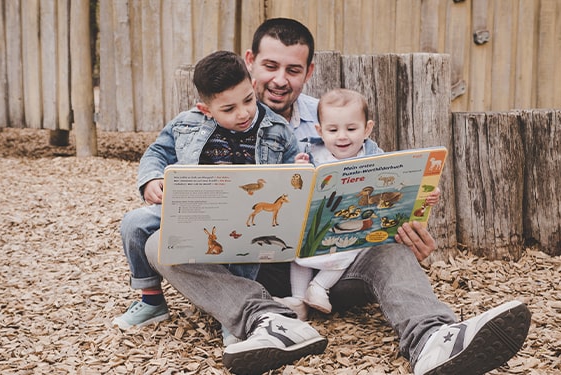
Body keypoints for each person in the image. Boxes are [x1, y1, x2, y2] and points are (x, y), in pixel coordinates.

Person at [144, 18, 532, 375]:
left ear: (309, 72)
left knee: (388, 246)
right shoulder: (213, 118)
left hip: (335, 270)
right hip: (258, 266)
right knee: (159, 243)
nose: (280, 80)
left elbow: (381, 183)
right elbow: (171, 179)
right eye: (270, 67)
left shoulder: (339, 117)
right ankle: (269, 322)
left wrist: (409, 218)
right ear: (250, 64)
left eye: (293, 70)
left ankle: (432, 338)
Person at [112, 50, 300, 335]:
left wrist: (298, 171)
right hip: (192, 209)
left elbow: (293, 174)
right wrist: (151, 180)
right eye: (228, 109)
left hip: (245, 219)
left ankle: (232, 314)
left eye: (248, 99)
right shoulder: (186, 123)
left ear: (252, 85)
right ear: (205, 109)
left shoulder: (277, 129)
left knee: (245, 245)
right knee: (133, 224)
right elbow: (156, 153)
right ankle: (151, 301)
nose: (244, 113)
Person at [277, 88, 440, 320]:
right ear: (319, 131)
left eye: (351, 129)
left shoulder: (374, 156)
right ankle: (298, 299)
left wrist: (427, 194)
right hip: (318, 230)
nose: (342, 136)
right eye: (332, 130)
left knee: (353, 245)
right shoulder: (314, 155)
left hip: (355, 230)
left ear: (367, 129)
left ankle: (319, 286)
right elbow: (295, 189)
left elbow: (401, 187)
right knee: (299, 252)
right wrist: (299, 170)